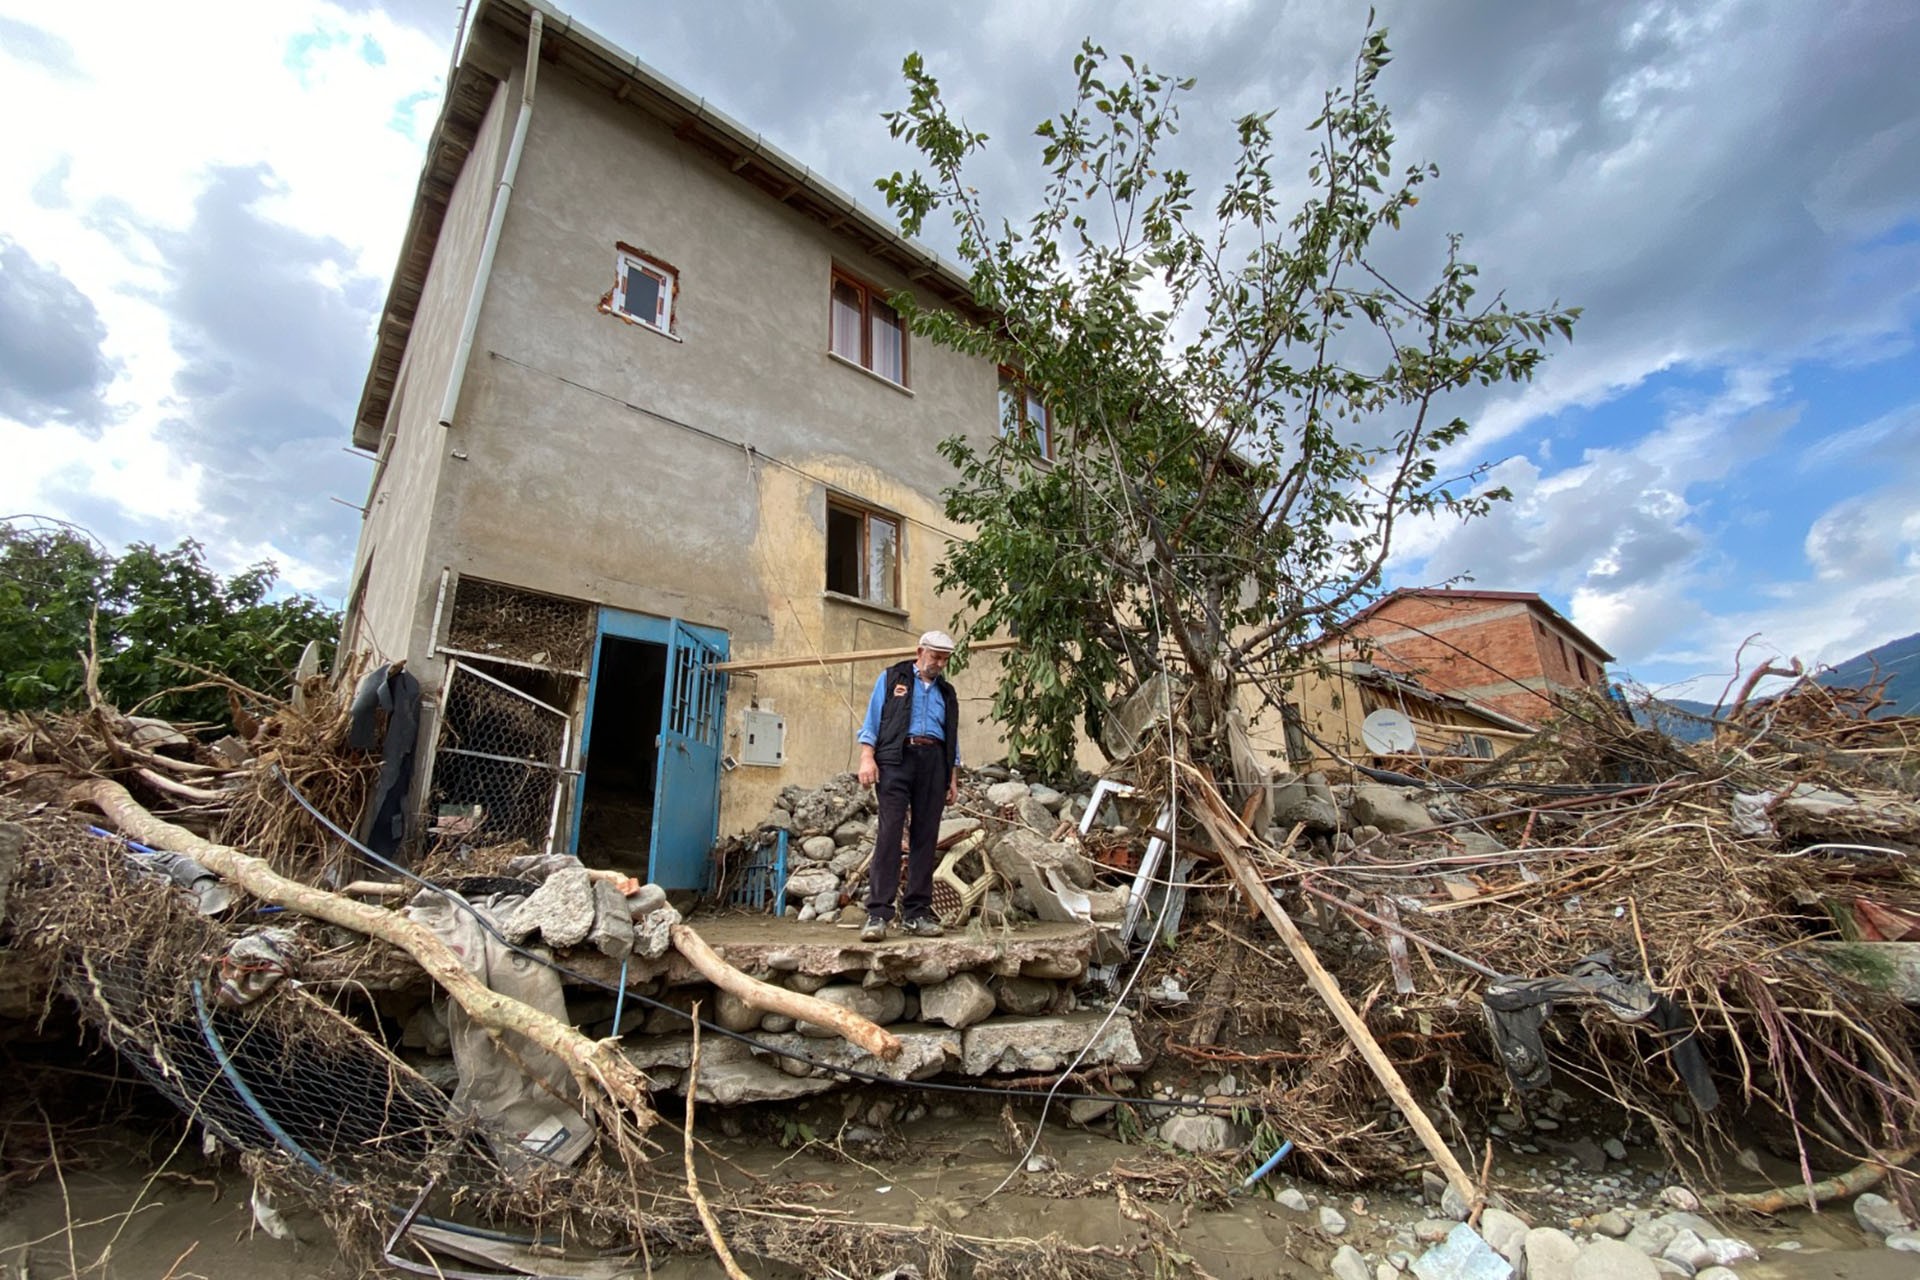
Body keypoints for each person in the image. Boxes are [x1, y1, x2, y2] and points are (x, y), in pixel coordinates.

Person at [855, 630, 961, 941]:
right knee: (889, 834)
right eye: (935, 657)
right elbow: (872, 720)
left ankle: (917, 913)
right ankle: (878, 914)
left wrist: (952, 777)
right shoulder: (892, 678)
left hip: (934, 763)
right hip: (896, 759)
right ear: (920, 651)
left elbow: (952, 736)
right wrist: (867, 758)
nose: (939, 664)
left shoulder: (947, 692)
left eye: (945, 659)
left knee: (925, 839)